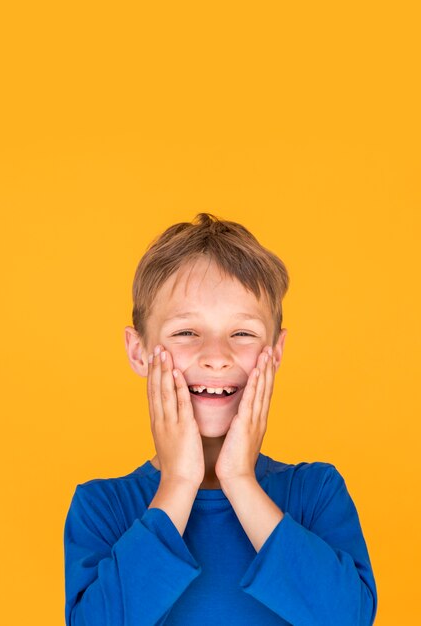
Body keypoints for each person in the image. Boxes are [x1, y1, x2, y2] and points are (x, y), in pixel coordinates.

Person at [63, 213, 378, 625]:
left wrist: (240, 480)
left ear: (276, 352)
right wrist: (178, 482)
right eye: (186, 332)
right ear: (138, 351)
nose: (216, 356)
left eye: (242, 333)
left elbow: (347, 619)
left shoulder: (314, 493)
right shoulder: (102, 507)